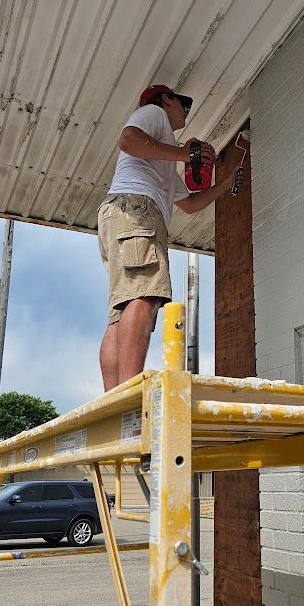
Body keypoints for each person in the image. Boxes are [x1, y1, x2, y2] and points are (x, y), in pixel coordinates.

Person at [98, 84, 239, 390]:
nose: (185, 111)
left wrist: (224, 185)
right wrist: (184, 154)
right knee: (144, 295)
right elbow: (128, 140)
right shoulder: (154, 113)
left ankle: (113, 399)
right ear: (166, 100)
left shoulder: (161, 166)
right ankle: (128, 394)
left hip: (122, 213)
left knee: (121, 311)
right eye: (182, 103)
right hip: (136, 208)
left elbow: (189, 204)